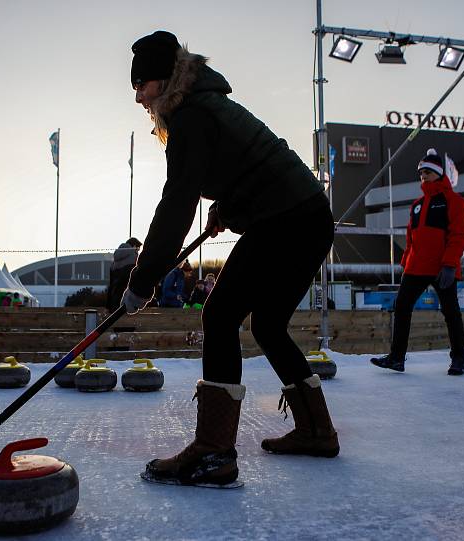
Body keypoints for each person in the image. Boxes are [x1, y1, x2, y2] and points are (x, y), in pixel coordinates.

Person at [121, 31, 338, 487]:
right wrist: (229, 208)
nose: (138, 96)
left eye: (142, 84)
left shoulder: (192, 117)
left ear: (164, 79)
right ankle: (316, 431)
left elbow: (177, 202)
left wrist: (143, 278)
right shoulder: (205, 105)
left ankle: (214, 453)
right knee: (267, 325)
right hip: (307, 216)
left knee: (219, 315)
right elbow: (251, 168)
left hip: (288, 219)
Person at [371, 149, 464, 376]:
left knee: (451, 312)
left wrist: (449, 265)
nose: (423, 176)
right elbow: (411, 237)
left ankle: (459, 360)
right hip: (416, 267)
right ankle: (396, 358)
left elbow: (458, 236)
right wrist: (406, 262)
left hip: (441, 267)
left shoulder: (454, 201)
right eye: (421, 172)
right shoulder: (417, 204)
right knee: (402, 306)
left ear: (439, 173)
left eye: (427, 172)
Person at [107, 237, 142, 310]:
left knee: (115, 291)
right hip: (126, 273)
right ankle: (119, 307)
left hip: (116, 272)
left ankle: (112, 307)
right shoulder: (130, 250)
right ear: (134, 245)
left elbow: (117, 258)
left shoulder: (122, 250)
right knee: (121, 291)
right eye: (138, 248)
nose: (138, 250)